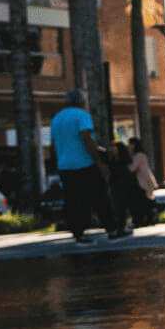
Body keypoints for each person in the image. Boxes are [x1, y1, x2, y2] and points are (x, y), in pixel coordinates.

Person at [49, 89, 124, 243]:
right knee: (100, 197)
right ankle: (112, 229)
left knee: (73, 200)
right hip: (84, 163)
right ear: (81, 102)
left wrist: (58, 162)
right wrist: (99, 161)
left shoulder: (56, 118)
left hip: (65, 166)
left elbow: (53, 145)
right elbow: (86, 138)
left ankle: (78, 233)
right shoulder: (82, 115)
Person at [127, 139, 159, 225]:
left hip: (142, 181)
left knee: (142, 202)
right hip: (145, 180)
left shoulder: (138, 156)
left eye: (129, 144)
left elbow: (132, 168)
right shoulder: (141, 155)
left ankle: (143, 220)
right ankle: (148, 219)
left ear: (133, 145)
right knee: (146, 201)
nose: (128, 146)